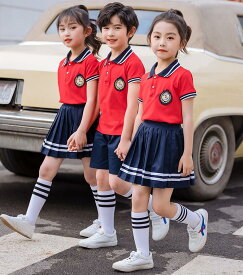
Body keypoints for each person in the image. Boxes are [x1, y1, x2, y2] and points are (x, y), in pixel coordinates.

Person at [112, 9, 208, 272]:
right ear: (149, 39)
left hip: (169, 141)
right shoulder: (147, 75)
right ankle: (142, 254)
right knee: (139, 198)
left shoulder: (182, 75)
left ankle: (195, 221)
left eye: (169, 37)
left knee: (161, 205)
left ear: (182, 43)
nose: (162, 42)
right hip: (145, 140)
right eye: (156, 36)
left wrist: (188, 153)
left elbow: (188, 118)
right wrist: (128, 140)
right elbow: (141, 115)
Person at [0, 5, 101, 239]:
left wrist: (82, 130)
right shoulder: (64, 62)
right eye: (62, 28)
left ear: (86, 31)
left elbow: (93, 102)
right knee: (46, 168)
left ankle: (104, 220)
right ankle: (29, 220)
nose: (66, 33)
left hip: (84, 120)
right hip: (64, 116)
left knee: (93, 176)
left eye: (72, 28)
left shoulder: (91, 62)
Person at [76, 2, 169, 249]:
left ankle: (156, 211)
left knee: (117, 183)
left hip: (121, 132)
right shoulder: (105, 61)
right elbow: (97, 101)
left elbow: (133, 106)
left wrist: (127, 138)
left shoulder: (133, 63)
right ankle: (107, 232)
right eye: (105, 28)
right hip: (103, 130)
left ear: (131, 31)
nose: (110, 33)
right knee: (101, 179)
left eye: (117, 28)